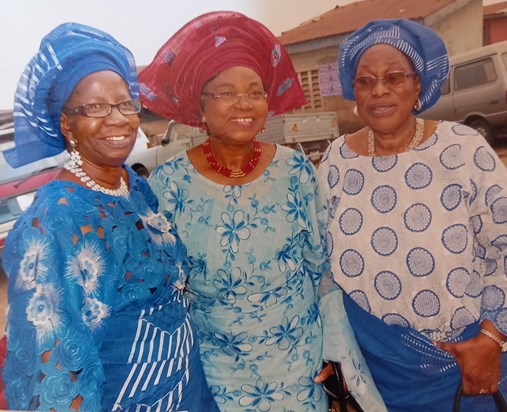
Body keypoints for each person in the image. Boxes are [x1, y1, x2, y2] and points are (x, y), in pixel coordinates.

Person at [139, 11, 385, 411]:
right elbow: (163, 291)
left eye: (255, 91)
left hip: (303, 369)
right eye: (226, 92)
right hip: (217, 377)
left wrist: (335, 353)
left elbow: (323, 274)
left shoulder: (295, 171)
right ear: (199, 107)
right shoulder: (167, 186)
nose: (244, 103)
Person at [0, 22, 219, 411]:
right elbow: (54, 369)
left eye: (124, 104)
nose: (117, 119)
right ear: (67, 123)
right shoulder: (53, 221)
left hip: (188, 389)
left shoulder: (133, 187)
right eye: (95, 107)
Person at [318, 18, 507, 411]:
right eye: (365, 80)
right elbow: (319, 262)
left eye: (395, 77)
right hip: (373, 372)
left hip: (465, 363)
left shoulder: (463, 148)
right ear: (354, 90)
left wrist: (493, 339)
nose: (379, 90)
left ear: (418, 85)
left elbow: (503, 246)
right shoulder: (336, 160)